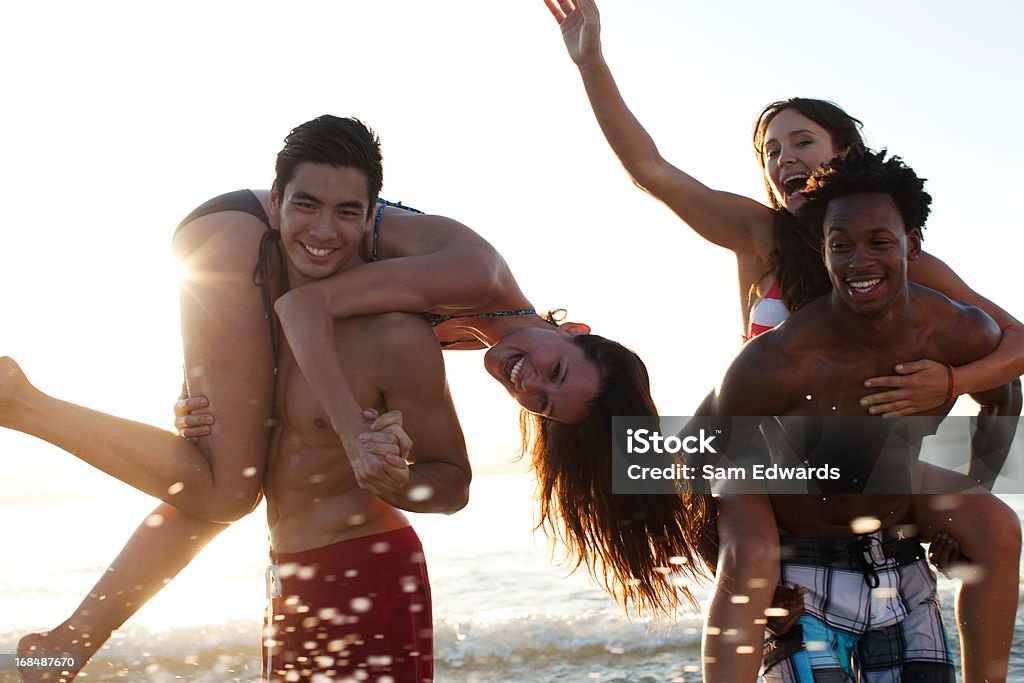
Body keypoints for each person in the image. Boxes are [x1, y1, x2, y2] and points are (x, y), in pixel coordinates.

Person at [5, 115, 657, 680]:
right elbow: (302, 305)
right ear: (574, 332)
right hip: (244, 235)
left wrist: (207, 404)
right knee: (229, 488)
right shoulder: (474, 277)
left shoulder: (464, 328)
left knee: (226, 475)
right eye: (554, 370)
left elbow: (304, 334)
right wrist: (352, 433)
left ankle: (62, 648)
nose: (527, 383)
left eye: (539, 403)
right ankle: (21, 403)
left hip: (254, 251)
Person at [543, 2, 1022, 681]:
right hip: (760, 453)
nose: (783, 159)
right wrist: (590, 62)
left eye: (801, 142)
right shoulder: (757, 235)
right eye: (770, 150)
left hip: (868, 459)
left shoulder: (903, 261)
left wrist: (950, 393)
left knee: (996, 527)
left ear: (843, 156)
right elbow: (650, 168)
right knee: (753, 560)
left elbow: (1011, 347)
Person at [710, 149, 1019, 681]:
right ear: (821, 249)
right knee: (746, 551)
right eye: (841, 246)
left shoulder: (957, 333)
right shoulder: (780, 360)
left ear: (911, 245)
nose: (860, 261)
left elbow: (1003, 399)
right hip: (801, 545)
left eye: (880, 242)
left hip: (891, 537)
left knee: (996, 524)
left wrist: (969, 495)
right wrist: (744, 568)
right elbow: (701, 458)